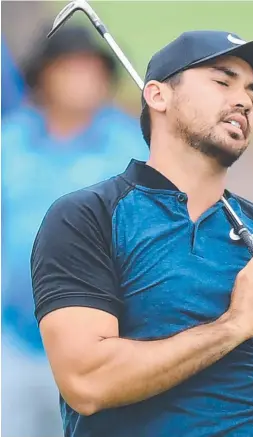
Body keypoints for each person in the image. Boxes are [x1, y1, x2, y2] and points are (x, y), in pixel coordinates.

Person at [31, 30, 253, 437]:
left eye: (252, 94)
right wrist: (232, 326)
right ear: (157, 96)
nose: (243, 100)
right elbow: (87, 382)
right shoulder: (88, 217)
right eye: (222, 82)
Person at [2, 24, 148, 437]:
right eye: (70, 69)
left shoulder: (134, 147)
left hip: (102, 346)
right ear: (43, 77)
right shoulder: (10, 142)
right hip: (15, 340)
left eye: (91, 70)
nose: (83, 81)